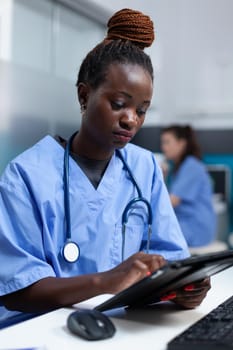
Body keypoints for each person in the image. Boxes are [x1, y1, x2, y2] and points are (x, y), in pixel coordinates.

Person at [0, 9, 210, 322]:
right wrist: (104, 282)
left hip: (121, 326)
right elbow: (17, 291)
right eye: (118, 104)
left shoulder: (144, 167)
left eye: (142, 110)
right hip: (42, 330)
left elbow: (170, 259)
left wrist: (182, 288)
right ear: (85, 96)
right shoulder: (26, 174)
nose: (131, 119)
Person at [160, 124, 217, 248]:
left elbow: (171, 202)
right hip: (186, 224)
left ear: (181, 143)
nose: (163, 148)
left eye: (167, 142)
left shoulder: (191, 166)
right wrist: (162, 178)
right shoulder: (179, 168)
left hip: (194, 228)